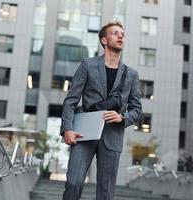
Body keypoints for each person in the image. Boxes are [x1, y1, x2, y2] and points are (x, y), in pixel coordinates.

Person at [60, 21, 143, 200]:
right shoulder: (87, 65)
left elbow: (137, 110)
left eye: (122, 34)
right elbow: (71, 100)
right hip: (84, 134)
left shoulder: (131, 75)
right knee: (73, 183)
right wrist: (67, 128)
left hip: (112, 137)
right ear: (104, 40)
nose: (121, 36)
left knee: (106, 193)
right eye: (115, 33)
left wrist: (122, 118)